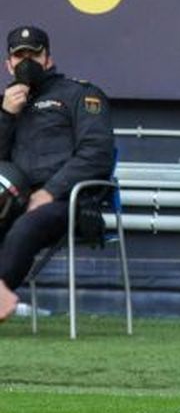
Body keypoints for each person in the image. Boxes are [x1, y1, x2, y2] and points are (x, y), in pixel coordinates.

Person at [0, 25, 115, 322]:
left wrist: (49, 191)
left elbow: (97, 153)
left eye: (34, 54)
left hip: (69, 201)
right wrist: (6, 116)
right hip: (13, 198)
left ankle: (0, 292)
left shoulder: (80, 94)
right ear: (8, 64)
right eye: (19, 55)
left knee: (26, 225)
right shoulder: (5, 105)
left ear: (48, 58)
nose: (27, 61)